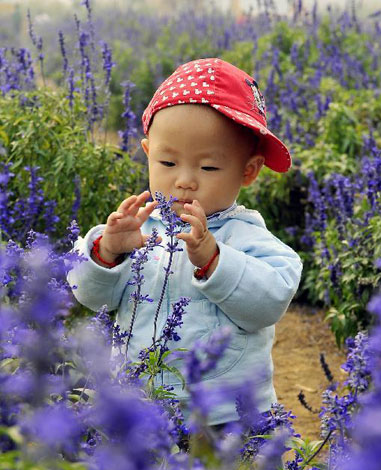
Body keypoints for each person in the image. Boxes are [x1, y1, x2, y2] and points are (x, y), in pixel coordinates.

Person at [67, 58, 302, 429]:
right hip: (139, 404)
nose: (185, 181)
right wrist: (108, 252)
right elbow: (89, 296)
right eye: (167, 162)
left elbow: (269, 302)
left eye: (208, 167)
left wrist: (214, 259)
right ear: (147, 152)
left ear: (249, 171)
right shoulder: (137, 229)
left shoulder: (248, 237)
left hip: (226, 418)